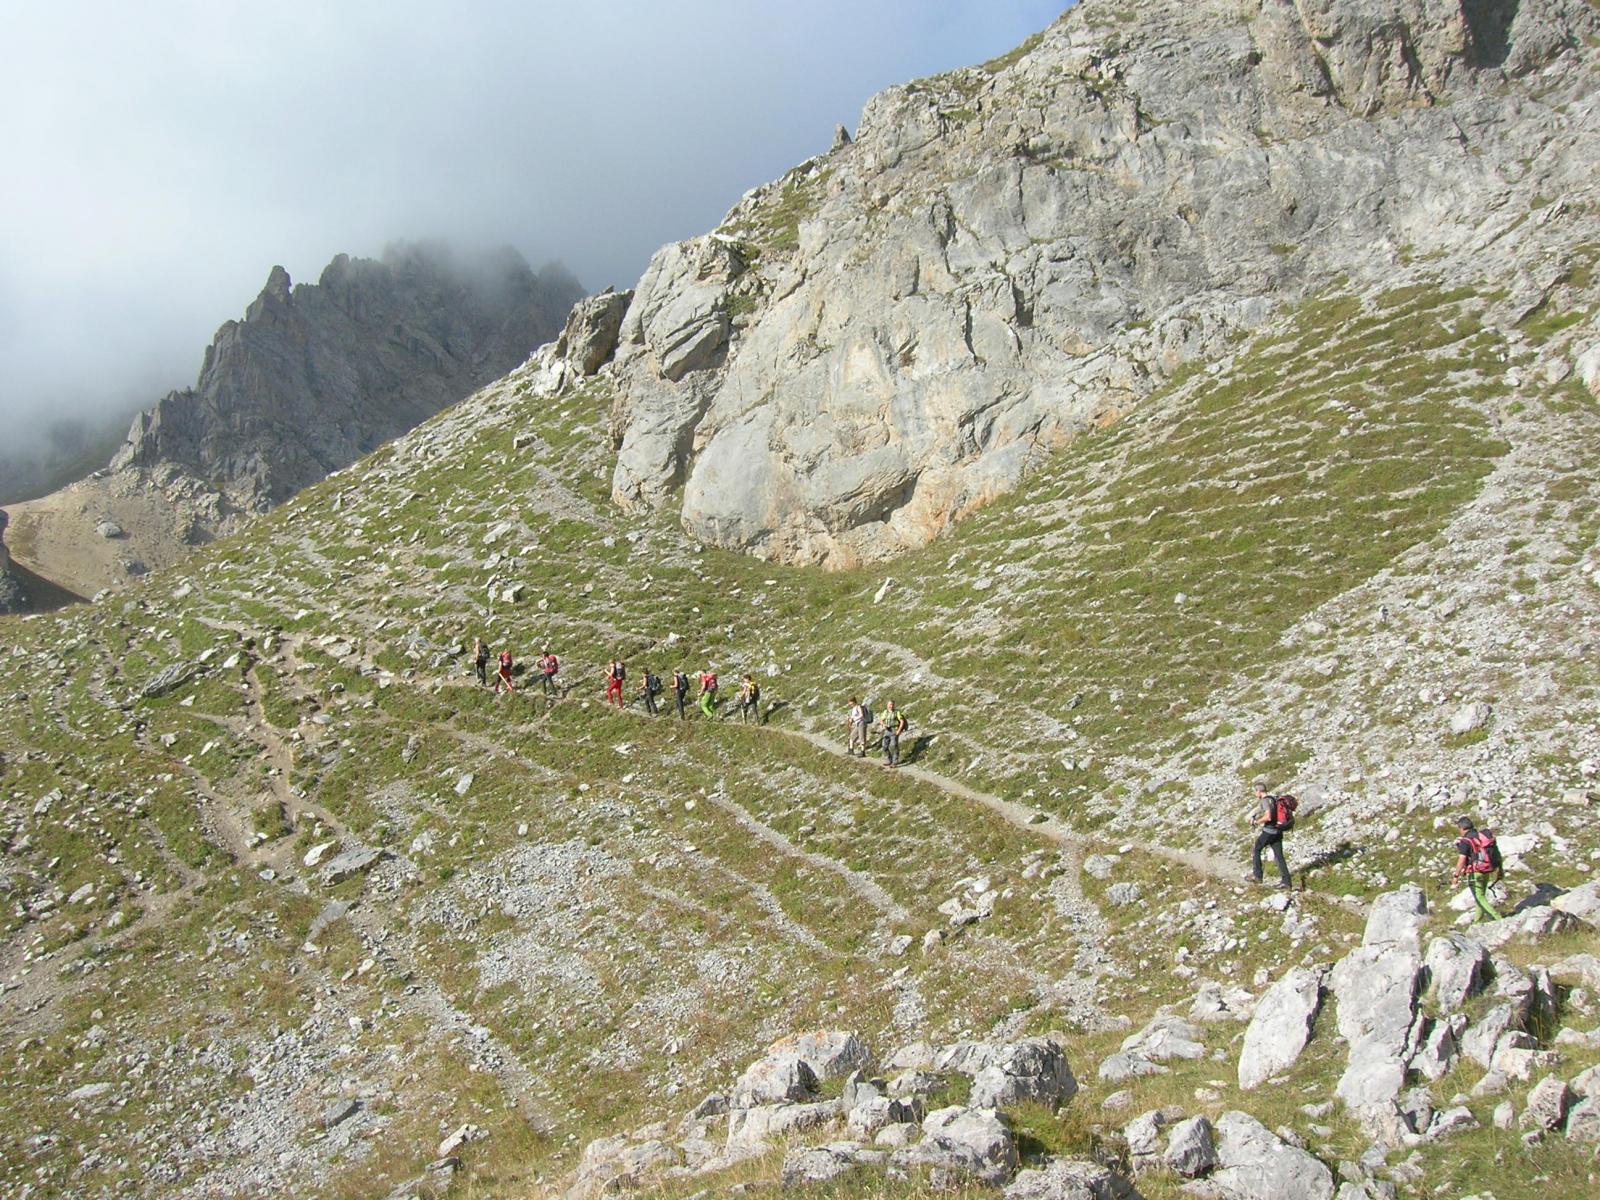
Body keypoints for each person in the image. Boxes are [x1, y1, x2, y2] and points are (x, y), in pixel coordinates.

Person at [1453, 817, 1504, 921]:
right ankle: (1477, 922)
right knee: (1480, 897)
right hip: (1486, 870)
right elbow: (1497, 853)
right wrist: (1500, 869)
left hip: (1475, 872)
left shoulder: (1465, 841)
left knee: (1479, 897)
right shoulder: (1483, 836)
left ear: (1462, 828)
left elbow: (1461, 859)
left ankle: (1498, 918)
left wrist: (1456, 876)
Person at [1250, 781, 1294, 889]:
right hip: (1278, 830)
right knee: (1279, 856)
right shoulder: (1273, 798)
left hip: (1269, 831)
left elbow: (1268, 817)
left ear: (1259, 791)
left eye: (1255, 791)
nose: (1255, 794)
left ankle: (1257, 876)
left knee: (1256, 849)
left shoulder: (1265, 801)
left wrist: (1257, 822)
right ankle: (1286, 882)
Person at [881, 700, 907, 767]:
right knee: (884, 745)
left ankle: (895, 761)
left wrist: (899, 730)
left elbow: (902, 721)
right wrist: (883, 725)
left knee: (894, 745)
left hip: (894, 730)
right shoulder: (885, 712)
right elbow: (881, 720)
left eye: (892, 704)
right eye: (889, 704)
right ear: (887, 705)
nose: (891, 706)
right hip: (887, 730)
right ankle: (888, 759)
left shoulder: (897, 712)